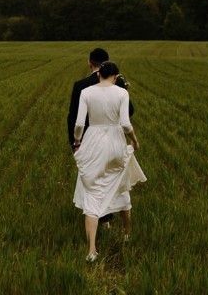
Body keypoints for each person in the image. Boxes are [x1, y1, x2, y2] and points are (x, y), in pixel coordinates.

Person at [73, 61, 146, 263]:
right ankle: (126, 234)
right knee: (121, 188)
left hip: (93, 142)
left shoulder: (86, 92)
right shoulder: (121, 93)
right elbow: (125, 123)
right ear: (115, 76)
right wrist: (134, 140)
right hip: (115, 143)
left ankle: (91, 250)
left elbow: (79, 124)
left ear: (99, 75)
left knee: (92, 194)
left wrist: (77, 141)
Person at [68, 48, 135, 228]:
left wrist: (75, 143)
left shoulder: (80, 85)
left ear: (89, 63)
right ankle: (117, 222)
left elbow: (73, 117)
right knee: (114, 179)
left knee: (93, 182)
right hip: (114, 140)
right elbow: (129, 114)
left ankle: (101, 220)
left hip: (89, 141)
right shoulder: (118, 84)